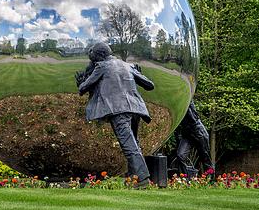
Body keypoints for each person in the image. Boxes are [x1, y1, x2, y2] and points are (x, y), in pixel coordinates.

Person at [76, 42, 155, 188]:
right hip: (135, 109)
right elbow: (150, 85)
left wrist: (81, 83)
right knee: (133, 143)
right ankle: (133, 178)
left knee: (128, 145)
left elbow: (84, 87)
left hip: (118, 109)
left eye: (92, 56)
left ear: (99, 56)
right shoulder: (127, 65)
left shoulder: (101, 66)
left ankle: (142, 179)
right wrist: (138, 74)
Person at [174, 100, 215, 178]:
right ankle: (185, 177)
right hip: (187, 134)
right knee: (180, 155)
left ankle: (211, 179)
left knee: (205, 158)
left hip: (198, 132)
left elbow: (193, 118)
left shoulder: (187, 100)